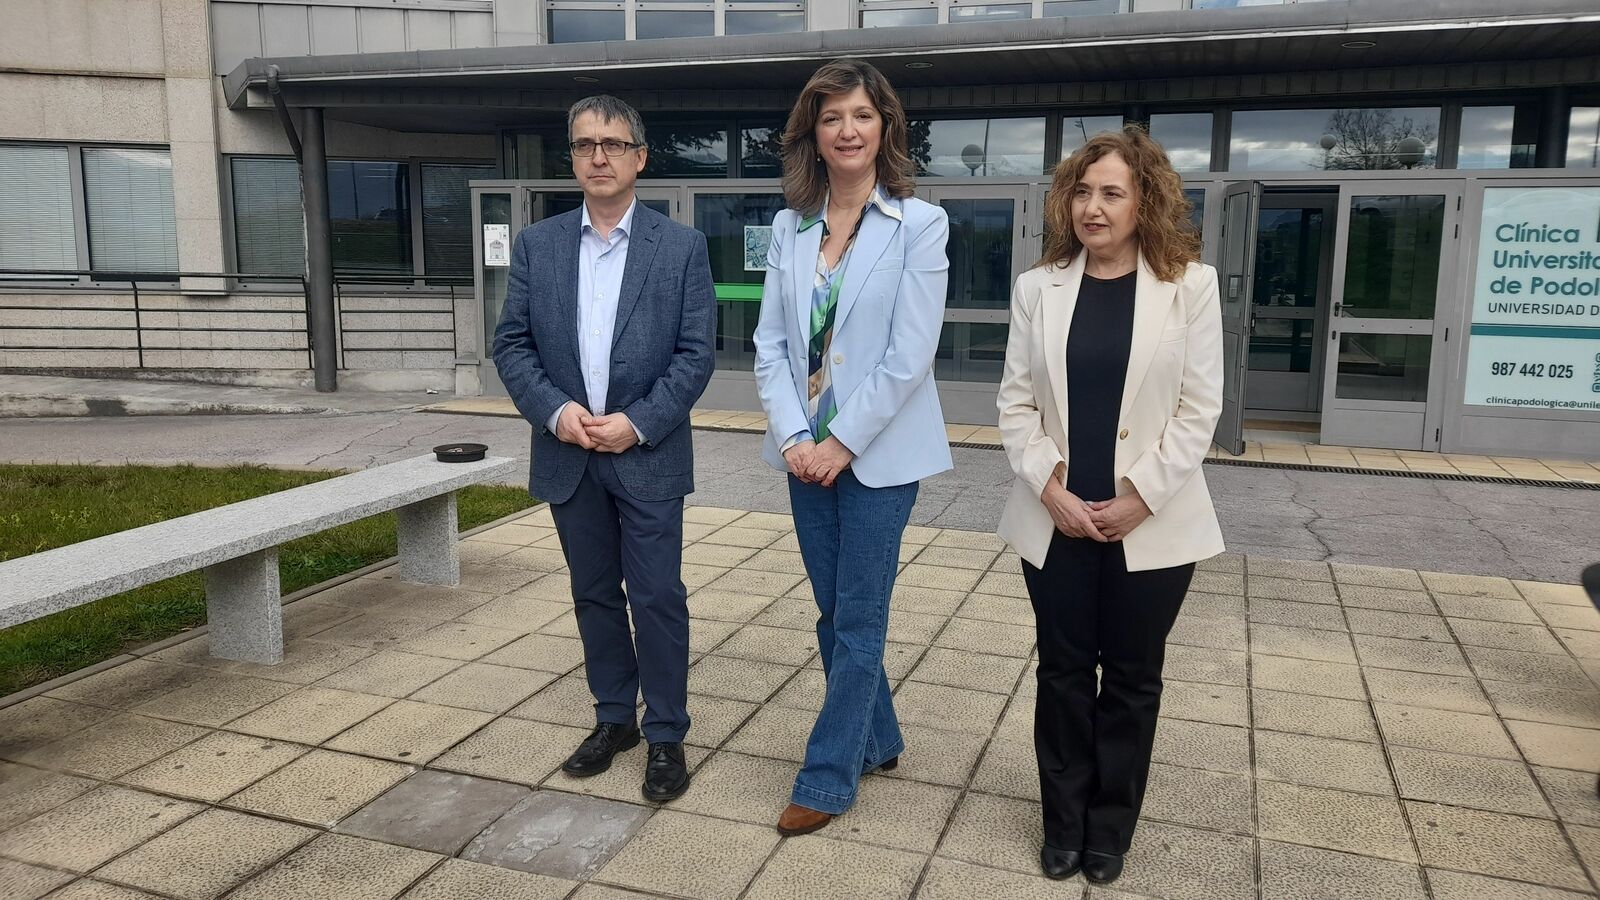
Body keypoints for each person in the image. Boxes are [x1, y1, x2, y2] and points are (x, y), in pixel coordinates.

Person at [995, 126, 1224, 885]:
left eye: (1112, 193)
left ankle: (1109, 829)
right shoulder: (1039, 287)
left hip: (1151, 529)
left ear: (1145, 200)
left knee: (1131, 678)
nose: (1094, 208)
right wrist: (1050, 490)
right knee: (1062, 672)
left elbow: (1199, 410)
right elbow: (1015, 406)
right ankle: (1062, 823)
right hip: (1055, 522)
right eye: (1083, 192)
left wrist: (1139, 499)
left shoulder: (1191, 286)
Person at [492, 95, 716, 803]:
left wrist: (637, 423)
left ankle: (667, 734)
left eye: (614, 144)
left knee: (655, 596)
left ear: (639, 158)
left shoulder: (680, 246)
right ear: (573, 156)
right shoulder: (539, 244)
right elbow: (512, 344)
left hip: (645, 453)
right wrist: (556, 413)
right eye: (586, 144)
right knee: (593, 594)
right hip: (569, 454)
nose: (599, 156)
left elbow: (694, 354)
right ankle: (614, 718)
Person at [752, 58, 952, 837]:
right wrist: (797, 437)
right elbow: (770, 345)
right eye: (831, 117)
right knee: (834, 613)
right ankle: (883, 738)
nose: (847, 130)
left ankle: (828, 776)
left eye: (861, 116)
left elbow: (911, 354)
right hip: (804, 455)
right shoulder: (787, 224)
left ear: (885, 128)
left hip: (878, 456)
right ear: (814, 132)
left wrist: (840, 442)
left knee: (858, 620)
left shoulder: (919, 223)